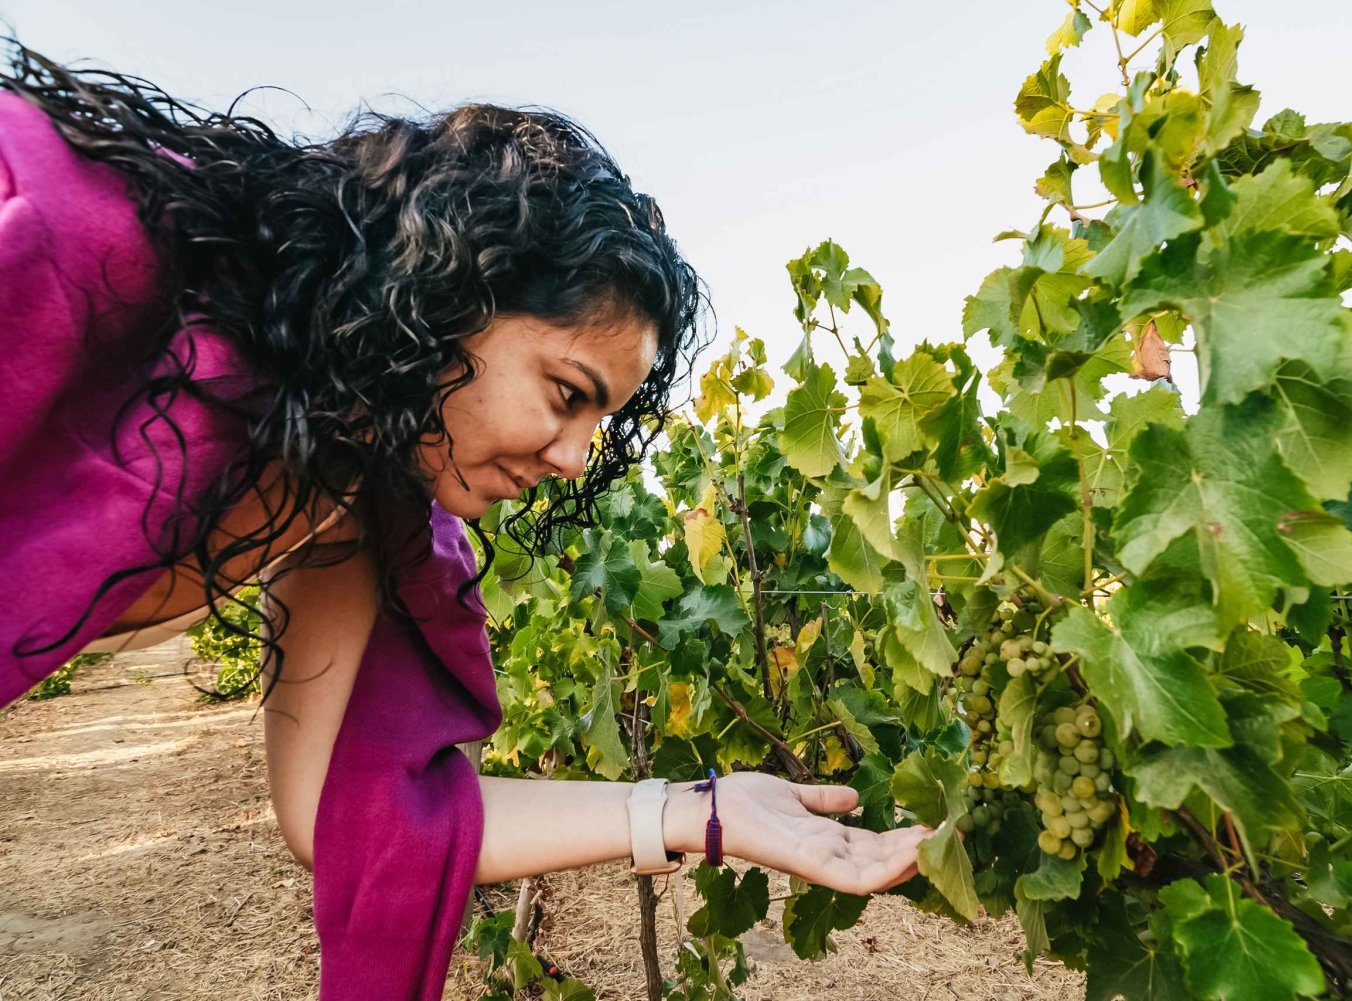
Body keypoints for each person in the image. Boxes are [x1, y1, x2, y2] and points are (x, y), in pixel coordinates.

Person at [0, 43, 933, 997]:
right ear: (448, 295)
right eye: (566, 393)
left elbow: (345, 811)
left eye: (599, 423)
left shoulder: (350, 503)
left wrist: (699, 808)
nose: (575, 459)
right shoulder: (65, 248)